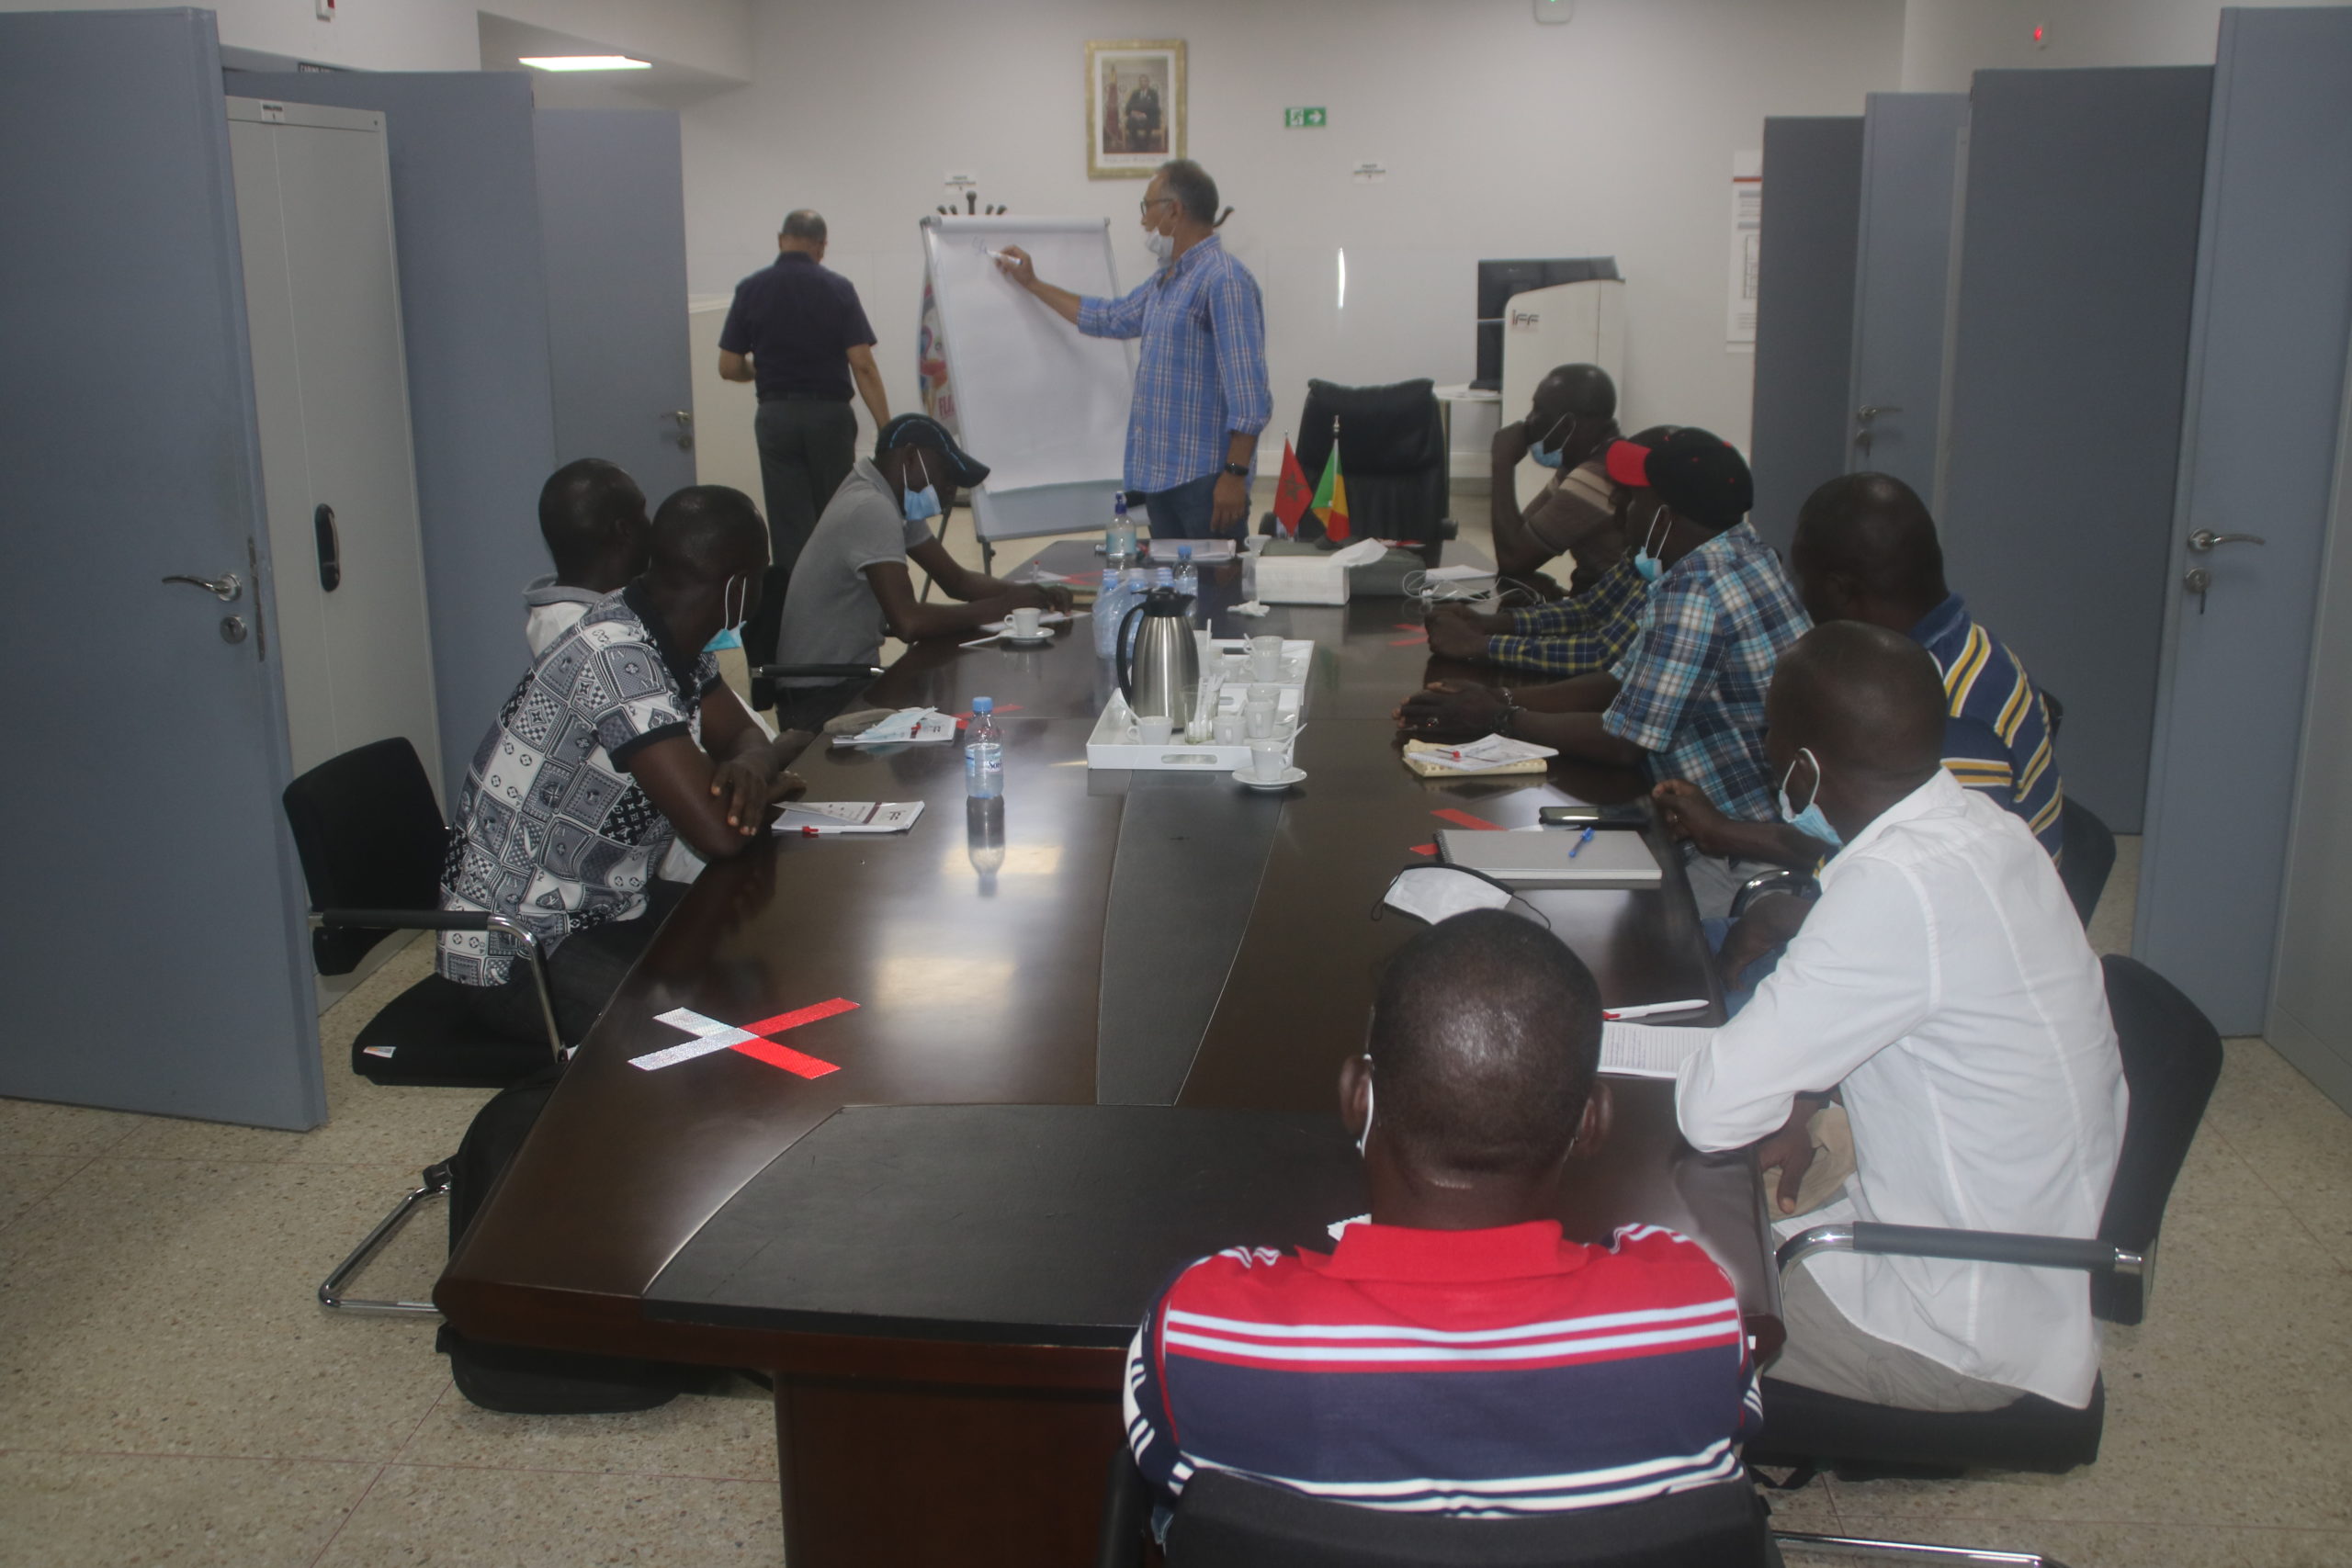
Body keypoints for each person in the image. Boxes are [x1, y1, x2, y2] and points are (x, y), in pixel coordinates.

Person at [1610, 624, 2124, 1414]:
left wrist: (1779, 1091)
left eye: (1772, 740)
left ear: (1806, 766)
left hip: (1949, 1329)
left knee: (1612, 1297)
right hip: (2022, 1272)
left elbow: (1715, 1113)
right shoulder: (1987, 830)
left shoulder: (1894, 886)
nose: (1769, 757)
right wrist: (1806, 1094)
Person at [1125, 910, 1760, 1521]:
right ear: (1591, 1121)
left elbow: (1160, 1467)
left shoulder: (1204, 1328)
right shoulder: (1692, 1310)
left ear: (1358, 1096)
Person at [1656, 471, 2069, 993]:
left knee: (1670, 974)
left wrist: (1789, 918)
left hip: (1942, 970)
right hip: (1888, 919)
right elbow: (1879, 842)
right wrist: (1718, 829)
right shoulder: (1954, 652)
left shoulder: (1950, 711)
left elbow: (1940, 907)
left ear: (1842, 590)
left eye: (1801, 580)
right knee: (1669, 942)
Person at [437, 485, 807, 1045]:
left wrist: (753, 768)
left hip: (606, 905)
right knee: (697, 1041)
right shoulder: (615, 658)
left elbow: (743, 738)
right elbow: (717, 833)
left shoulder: (670, 637)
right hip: (518, 944)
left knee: (753, 965)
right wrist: (755, 770)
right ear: (739, 589)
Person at [1399, 429, 1811, 917]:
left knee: (1554, 918)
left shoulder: (1694, 592)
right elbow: (1621, 678)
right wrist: (1499, 699)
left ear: (1663, 516)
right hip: (1740, 819)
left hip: (1731, 845)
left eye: (1635, 499)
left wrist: (1498, 717)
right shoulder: (1746, 554)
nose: (1623, 509)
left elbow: (1623, 742)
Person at [994, 160, 1271, 540]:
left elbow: (1250, 396)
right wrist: (1033, 284)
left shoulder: (1225, 279)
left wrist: (1234, 476)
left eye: (1147, 207)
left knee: (1214, 598)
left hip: (1206, 483)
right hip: (1161, 480)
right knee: (1172, 595)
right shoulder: (1166, 281)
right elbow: (1106, 317)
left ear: (1175, 210)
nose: (1143, 221)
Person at [769, 413, 1072, 730]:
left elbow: (956, 581)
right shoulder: (870, 507)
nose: (949, 492)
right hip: (819, 698)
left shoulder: (891, 498)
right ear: (911, 457)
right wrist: (1001, 606)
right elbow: (908, 623)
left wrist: (1027, 596)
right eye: (946, 476)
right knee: (961, 717)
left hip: (846, 681)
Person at [1423, 422, 1682, 678]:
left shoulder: (1684, 577)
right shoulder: (1648, 550)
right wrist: (1485, 623)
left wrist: (1481, 645)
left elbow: (1603, 654)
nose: (1615, 500)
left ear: (1665, 512)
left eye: (1631, 494)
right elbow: (1590, 609)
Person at [718, 210, 891, 583]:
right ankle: (839, 595)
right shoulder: (838, 289)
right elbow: (862, 365)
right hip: (829, 418)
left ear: (781, 239)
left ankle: (795, 613)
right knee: (836, 514)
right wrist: (886, 428)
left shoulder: (751, 288)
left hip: (776, 416)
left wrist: (758, 371)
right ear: (822, 246)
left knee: (787, 523)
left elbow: (729, 366)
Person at [1487, 363, 1623, 587]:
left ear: (1567, 424)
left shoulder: (1596, 476)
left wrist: (1502, 464)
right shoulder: (1582, 464)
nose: (1529, 420)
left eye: (1538, 410)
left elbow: (1512, 559)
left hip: (1611, 611)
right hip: (1592, 595)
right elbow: (1521, 534)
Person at [523, 458, 650, 656]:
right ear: (624, 531)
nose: (652, 527)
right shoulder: (588, 639)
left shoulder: (599, 608)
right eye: (643, 513)